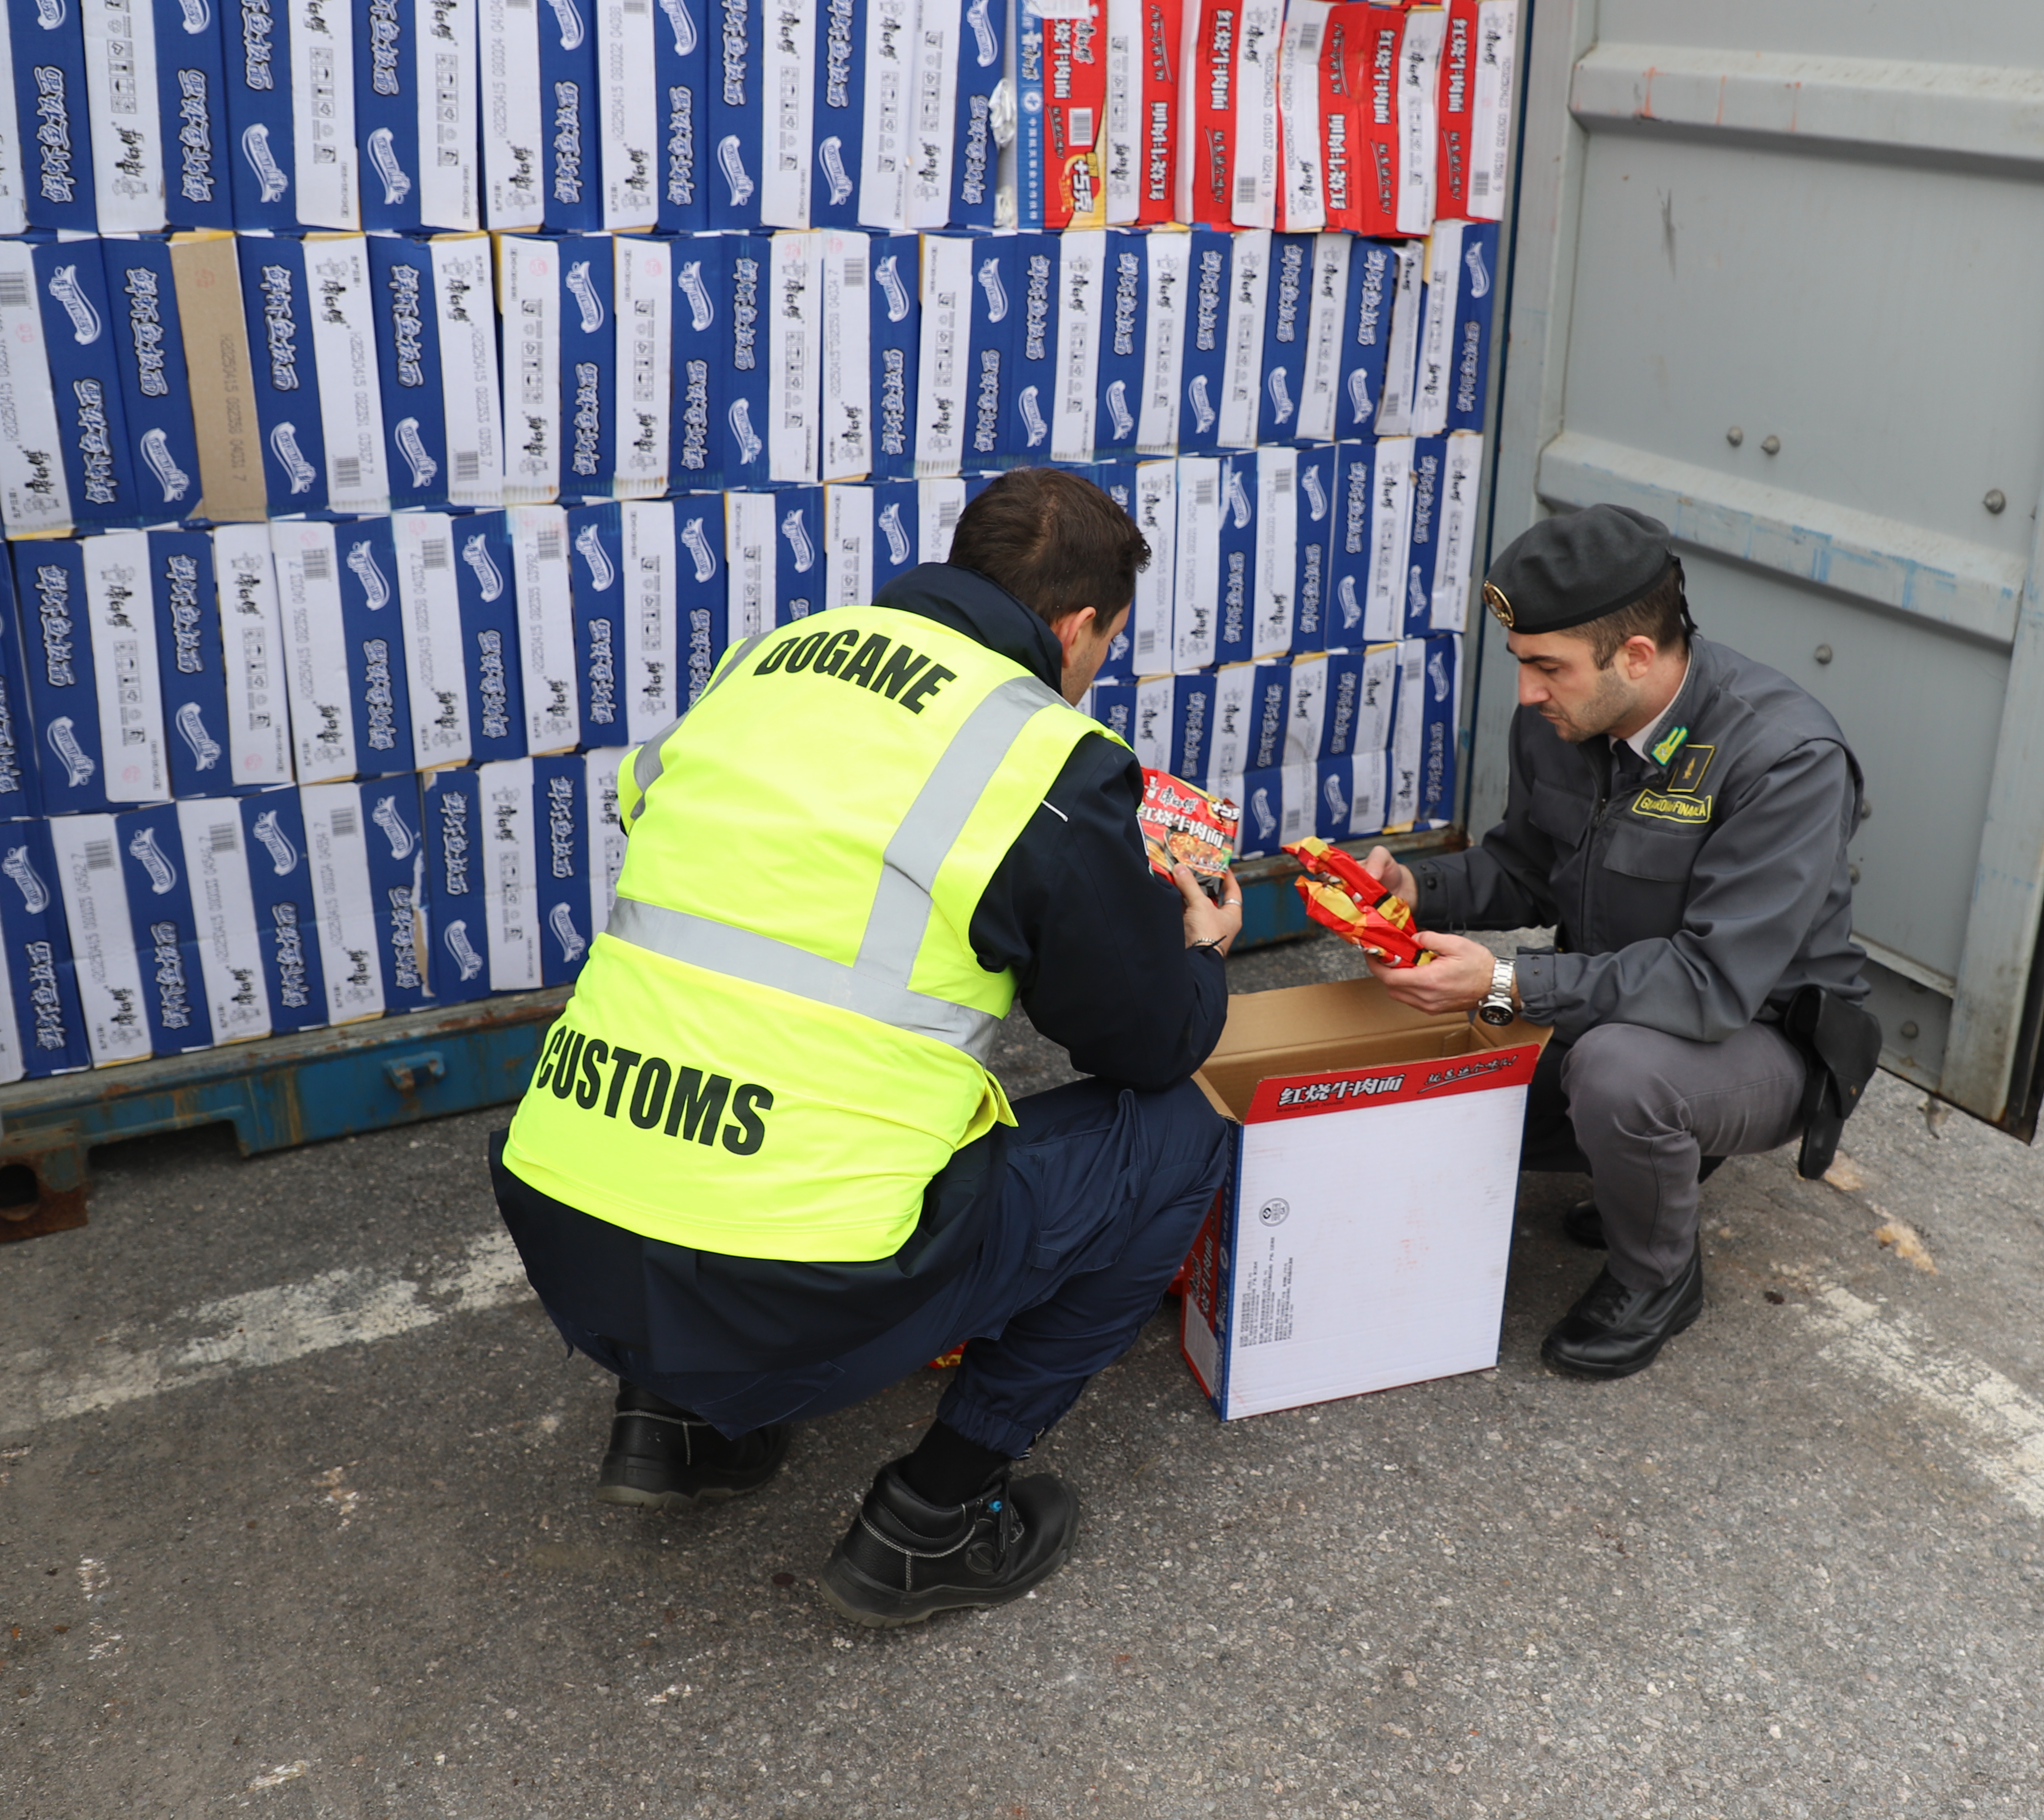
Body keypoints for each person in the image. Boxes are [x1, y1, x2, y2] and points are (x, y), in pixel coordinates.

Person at [492, 467, 1242, 1628]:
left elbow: (700, 854)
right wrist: (1191, 946)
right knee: (1182, 1129)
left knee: (729, 1043)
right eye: (1105, 646)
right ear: (1078, 626)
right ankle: (930, 1522)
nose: (1094, 668)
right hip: (795, 1276)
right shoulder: (1040, 749)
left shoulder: (766, 664)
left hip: (569, 1222)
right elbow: (1144, 1043)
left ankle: (680, 1427)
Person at [1359, 504, 1870, 1379]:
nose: (1526, 693)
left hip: (1758, 1037)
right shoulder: (1566, 714)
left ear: (1636, 656)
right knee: (1434, 1096)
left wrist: (1508, 985)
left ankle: (1658, 1276)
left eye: (1547, 669)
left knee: (1622, 1077)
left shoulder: (1785, 757)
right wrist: (1416, 891)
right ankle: (1646, 1167)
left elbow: (1711, 986)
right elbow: (1526, 864)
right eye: (1524, 666)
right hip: (1613, 1004)